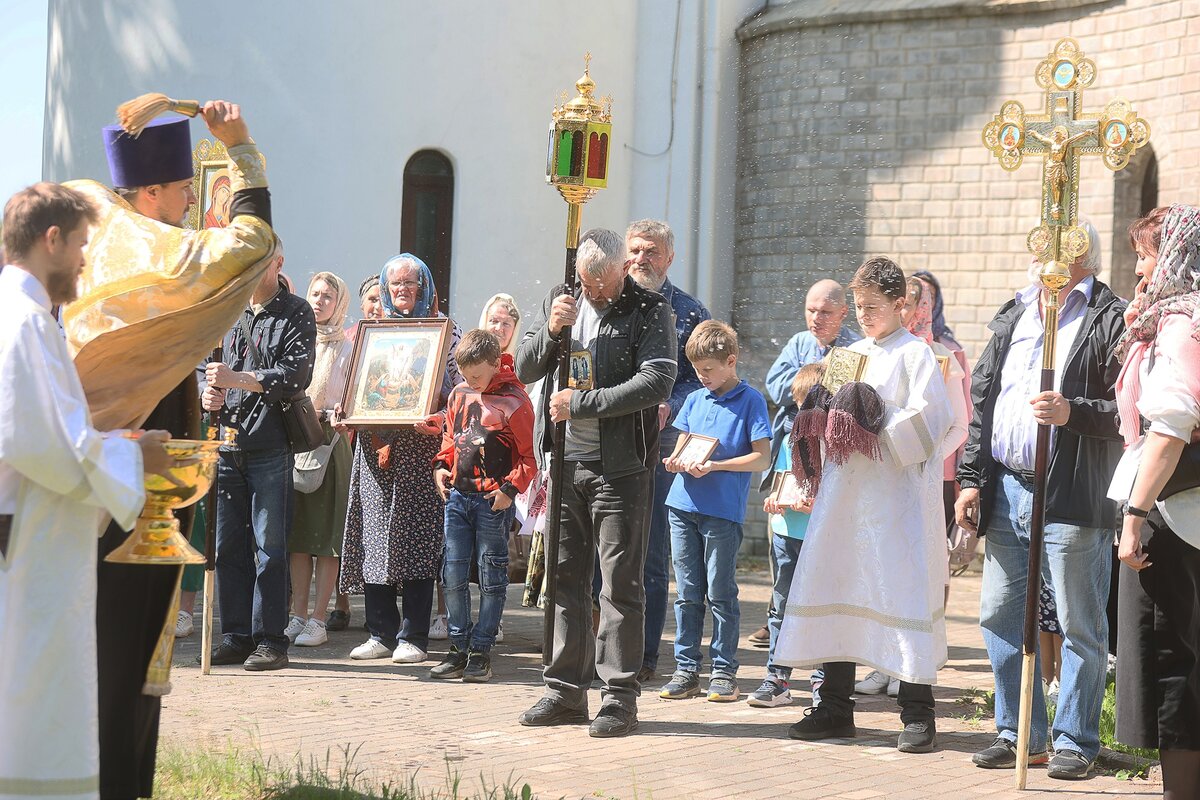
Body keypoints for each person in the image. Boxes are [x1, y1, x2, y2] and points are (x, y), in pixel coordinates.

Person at [64, 100, 277, 799]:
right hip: (119, 488)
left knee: (130, 658)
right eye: (186, 187)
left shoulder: (96, 241)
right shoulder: (141, 247)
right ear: (150, 189)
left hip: (107, 487)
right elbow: (248, 249)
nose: (193, 201)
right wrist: (242, 150)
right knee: (118, 658)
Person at [0, 183, 172, 800]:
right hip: (26, 549)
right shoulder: (20, 322)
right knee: (28, 704)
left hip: (36, 537)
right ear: (51, 240)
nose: (83, 261)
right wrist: (132, 453)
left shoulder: (31, 317)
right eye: (79, 245)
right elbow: (34, 442)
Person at [956, 220, 1127, 779]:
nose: (1042, 260)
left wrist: (1072, 412)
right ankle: (1018, 731)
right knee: (999, 614)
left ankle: (1075, 740)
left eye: (1055, 251)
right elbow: (984, 398)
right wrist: (971, 478)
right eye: (1039, 250)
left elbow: (1132, 412)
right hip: (1007, 485)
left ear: (1083, 257)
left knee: (1079, 621)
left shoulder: (1110, 317)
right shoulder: (1017, 311)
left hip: (1074, 490)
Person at [777, 256, 952, 754]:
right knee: (838, 585)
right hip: (843, 498)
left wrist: (875, 414)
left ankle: (918, 713)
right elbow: (828, 415)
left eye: (873, 306)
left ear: (901, 305)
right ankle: (834, 706)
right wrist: (816, 412)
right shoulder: (848, 353)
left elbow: (930, 424)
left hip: (893, 502)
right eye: (858, 307)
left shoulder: (917, 356)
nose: (864, 315)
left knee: (899, 594)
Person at [514, 228, 677, 738]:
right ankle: (564, 691)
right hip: (564, 465)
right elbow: (524, 367)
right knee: (564, 581)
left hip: (620, 470)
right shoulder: (561, 300)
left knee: (619, 587)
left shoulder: (650, 311)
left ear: (621, 272)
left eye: (602, 286)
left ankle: (619, 698)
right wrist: (551, 331)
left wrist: (581, 404)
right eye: (586, 285)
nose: (594, 295)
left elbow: (657, 382)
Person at [1111, 204, 1200, 800]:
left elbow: (1169, 428)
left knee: (1176, 663)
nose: (1140, 269)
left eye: (1146, 253)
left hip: (1174, 513)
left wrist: (1136, 516)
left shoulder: (1182, 325)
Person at [339, 254, 462, 664]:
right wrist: (345, 412)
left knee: (416, 541)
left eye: (410, 283)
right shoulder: (371, 333)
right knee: (375, 538)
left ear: (425, 285)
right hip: (376, 450)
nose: (402, 291)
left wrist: (442, 417)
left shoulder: (446, 333)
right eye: (395, 286)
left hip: (421, 451)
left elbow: (464, 394)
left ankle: (414, 636)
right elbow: (358, 387)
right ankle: (380, 633)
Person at [854, 275, 973, 697]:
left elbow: (960, 422)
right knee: (871, 572)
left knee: (911, 574)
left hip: (919, 476)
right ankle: (877, 663)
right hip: (865, 483)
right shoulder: (857, 352)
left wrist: (925, 458)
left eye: (911, 304)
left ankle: (907, 668)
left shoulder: (939, 355)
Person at [202, 239, 316, 672]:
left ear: (278, 263)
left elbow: (294, 377)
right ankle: (235, 634)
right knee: (228, 545)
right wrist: (208, 394)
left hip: (270, 445)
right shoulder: (226, 311)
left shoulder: (297, 312)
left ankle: (272, 640)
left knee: (270, 547)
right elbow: (204, 371)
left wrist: (237, 378)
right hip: (229, 443)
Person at [656, 321, 770, 703]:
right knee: (688, 593)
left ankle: (724, 671)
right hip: (682, 505)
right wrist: (674, 460)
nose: (701, 377)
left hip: (722, 511)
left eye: (708, 369)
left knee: (721, 593)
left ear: (731, 361)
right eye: (697, 370)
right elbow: (684, 445)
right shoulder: (693, 400)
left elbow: (761, 458)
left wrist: (718, 467)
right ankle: (686, 669)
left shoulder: (750, 400)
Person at [625, 219, 711, 683]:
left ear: (670, 257)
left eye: (651, 251)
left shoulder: (691, 314)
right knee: (609, 551)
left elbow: (704, 381)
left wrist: (669, 405)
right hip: (612, 444)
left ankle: (644, 657)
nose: (642, 259)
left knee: (653, 555)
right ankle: (606, 648)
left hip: (661, 447)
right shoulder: (610, 306)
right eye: (635, 250)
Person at [754, 279, 859, 648]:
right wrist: (816, 374)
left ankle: (817, 621)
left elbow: (849, 399)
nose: (816, 318)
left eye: (825, 312)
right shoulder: (799, 342)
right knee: (781, 541)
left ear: (843, 313)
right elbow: (777, 386)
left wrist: (817, 380)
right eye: (810, 310)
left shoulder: (855, 348)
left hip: (831, 458)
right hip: (790, 451)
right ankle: (777, 616)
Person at [429, 329, 536, 682]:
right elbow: (450, 438)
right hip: (458, 497)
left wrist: (510, 489)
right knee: (453, 574)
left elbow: (529, 457)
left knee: (492, 577)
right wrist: (442, 467)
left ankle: (481, 649)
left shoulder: (515, 401)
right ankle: (458, 646)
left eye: (476, 375)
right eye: (464, 375)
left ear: (494, 364)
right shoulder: (459, 394)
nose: (469, 381)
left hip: (492, 500)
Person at [284, 271, 354, 648]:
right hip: (296, 439)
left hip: (329, 442)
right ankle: (297, 613)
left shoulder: (346, 348)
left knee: (326, 537)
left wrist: (336, 412)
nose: (320, 300)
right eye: (315, 293)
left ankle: (319, 617)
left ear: (339, 303)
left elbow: (354, 396)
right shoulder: (296, 342)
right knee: (298, 537)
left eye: (328, 295)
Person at [748, 362, 824, 708]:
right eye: (796, 405)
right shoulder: (789, 432)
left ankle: (823, 682)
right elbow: (782, 478)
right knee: (780, 607)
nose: (799, 413)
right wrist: (774, 499)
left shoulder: (835, 442)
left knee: (821, 608)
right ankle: (776, 678)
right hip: (785, 533)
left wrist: (816, 506)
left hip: (820, 537)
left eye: (807, 405)